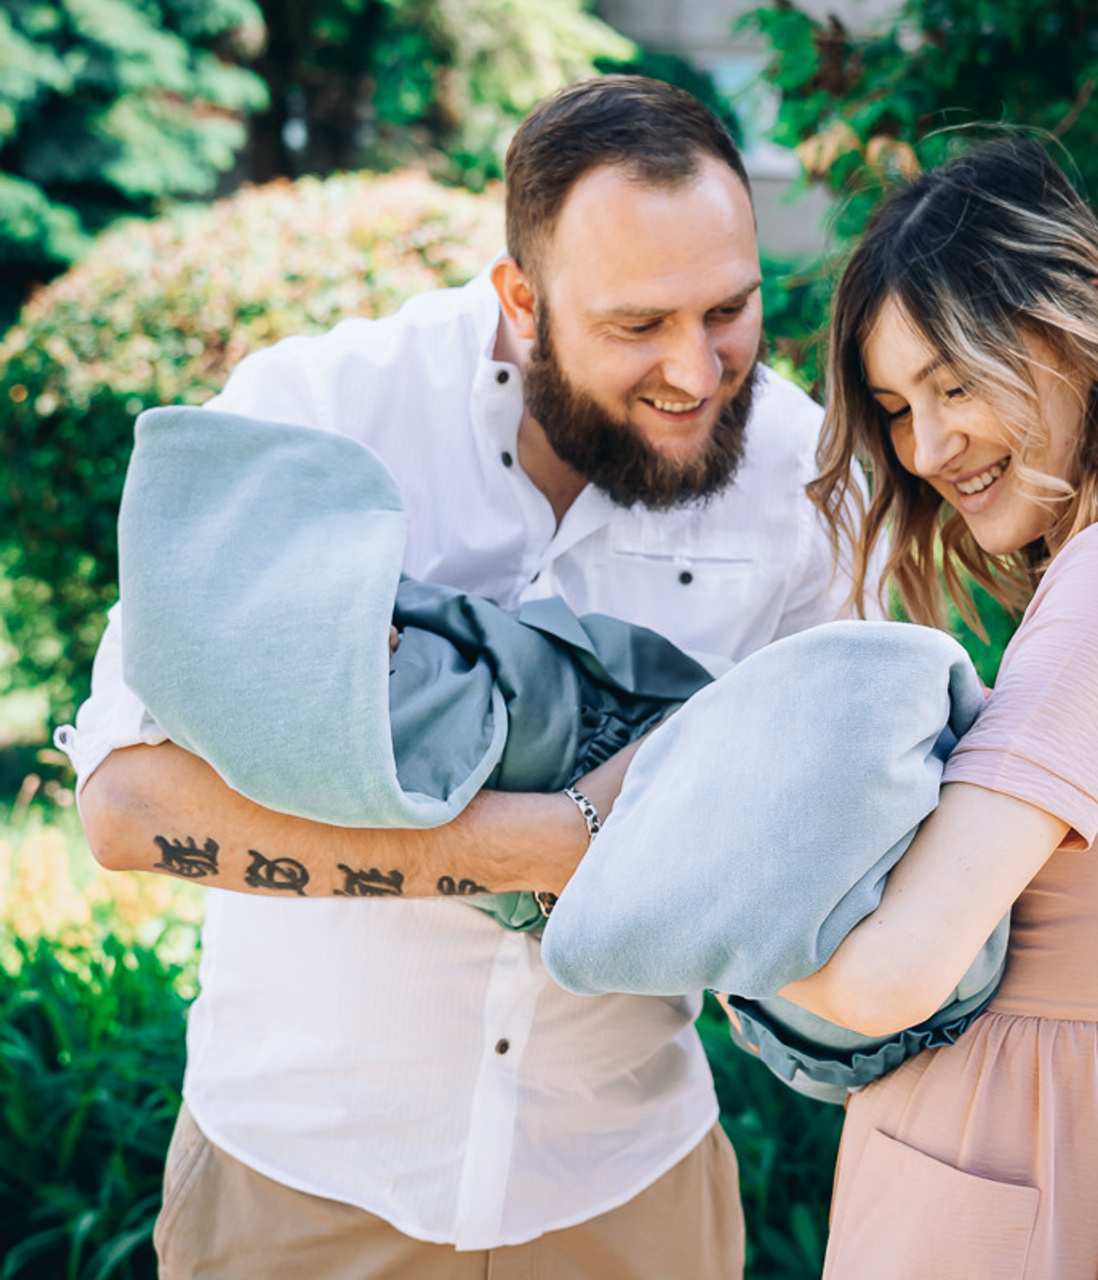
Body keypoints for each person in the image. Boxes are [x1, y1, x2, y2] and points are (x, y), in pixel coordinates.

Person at [59, 76, 872, 1279]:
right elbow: (127, 808)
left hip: (626, 1182)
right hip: (297, 1183)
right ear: (520, 301)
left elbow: (810, 829)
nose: (696, 373)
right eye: (637, 326)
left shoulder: (805, 477)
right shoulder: (311, 419)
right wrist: (542, 842)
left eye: (728, 311)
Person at [777, 138, 1098, 1279]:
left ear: (1081, 313)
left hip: (1019, 1152)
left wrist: (666, 900)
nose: (928, 445)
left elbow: (893, 974)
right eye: (898, 405)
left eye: (954, 382)